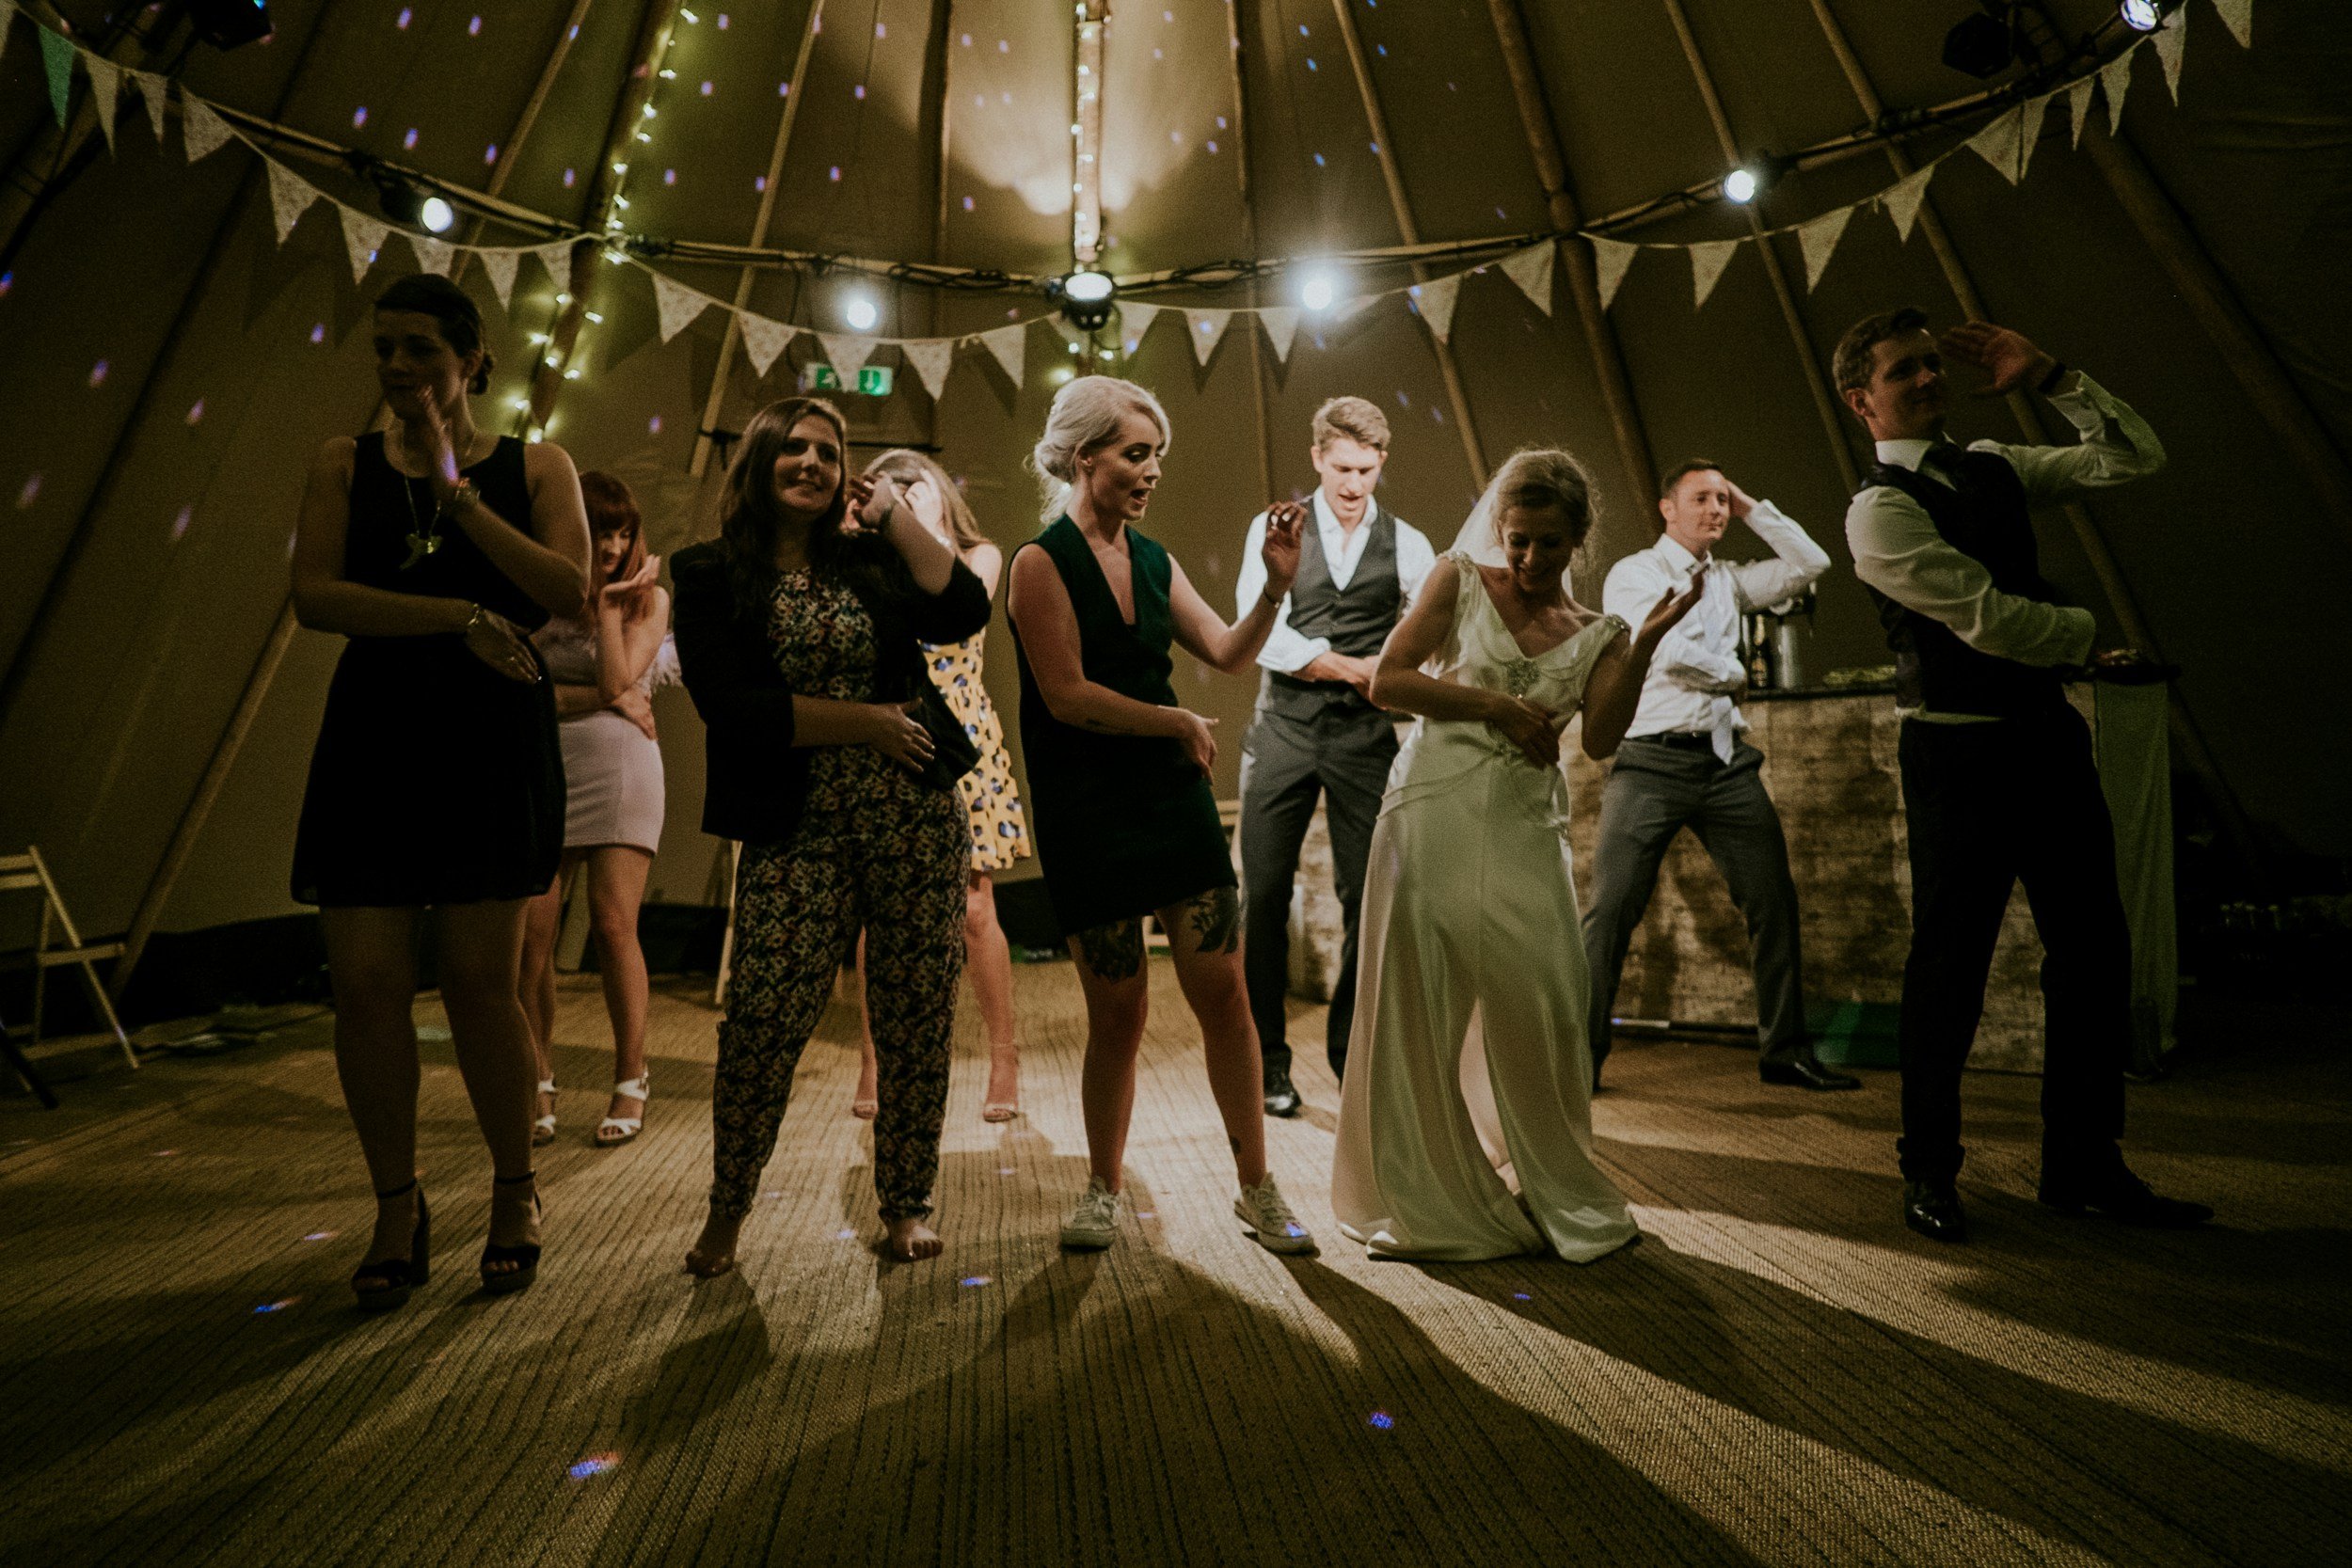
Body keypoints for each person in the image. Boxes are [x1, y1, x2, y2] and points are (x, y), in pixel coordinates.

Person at [1834, 309, 2212, 1243]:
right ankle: (1928, 1168)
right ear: (1861, 400)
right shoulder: (1877, 507)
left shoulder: (1995, 461)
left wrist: (2053, 378)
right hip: (1955, 754)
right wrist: (2078, 629)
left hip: (2044, 738)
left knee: (2092, 950)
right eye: (1903, 370)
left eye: (1931, 363)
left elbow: (2134, 457)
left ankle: (2082, 1161)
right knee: (1949, 967)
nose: (1927, 378)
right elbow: (1993, 622)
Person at [289, 273, 590, 1307]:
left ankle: (514, 1188)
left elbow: (565, 589)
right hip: (375, 734)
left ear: (473, 363)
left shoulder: (537, 465)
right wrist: (454, 615)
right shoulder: (342, 462)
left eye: (419, 349)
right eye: (385, 350)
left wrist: (462, 496)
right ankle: (395, 1204)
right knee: (367, 983)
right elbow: (315, 596)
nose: (398, 369)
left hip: (489, 738)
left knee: (477, 981)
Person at [1332, 449, 1701, 1261]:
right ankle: (1429, 1194)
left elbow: (1601, 739)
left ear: (1579, 541)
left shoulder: (1598, 632)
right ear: (1499, 530)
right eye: (1518, 539)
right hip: (1430, 810)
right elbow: (1388, 681)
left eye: (1548, 544)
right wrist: (1497, 705)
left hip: (1528, 829)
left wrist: (1641, 648)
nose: (1529, 560)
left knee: (1546, 1003)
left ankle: (1542, 1179)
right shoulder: (1458, 580)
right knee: (1420, 1004)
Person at [671, 397, 990, 1273]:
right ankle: (727, 1208)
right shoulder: (703, 572)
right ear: (761, 459)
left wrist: (889, 512)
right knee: (764, 1016)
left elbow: (963, 609)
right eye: (794, 448)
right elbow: (732, 708)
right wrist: (867, 723)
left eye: (827, 451)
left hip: (911, 819)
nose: (811, 462)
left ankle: (905, 1203)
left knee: (916, 1013)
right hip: (792, 825)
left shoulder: (870, 560)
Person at [1004, 375, 1315, 1256]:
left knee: (1224, 995)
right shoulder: (1039, 562)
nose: (1151, 472)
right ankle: (1103, 1187)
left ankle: (1256, 1185)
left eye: (1158, 457)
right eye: (1137, 454)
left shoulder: (1154, 556)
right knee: (1120, 1013)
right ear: (1083, 455)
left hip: (1170, 799)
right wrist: (1175, 720)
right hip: (1089, 806)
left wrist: (1274, 590)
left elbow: (1223, 651)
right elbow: (1066, 697)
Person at [1580, 462, 1855, 1092]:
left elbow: (1813, 563)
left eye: (1722, 500)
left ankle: (1784, 1050)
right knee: (1611, 909)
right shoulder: (1636, 573)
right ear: (1666, 509)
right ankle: (1581, 1058)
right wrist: (1734, 672)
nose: (1716, 509)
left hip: (1725, 762)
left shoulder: (1728, 580)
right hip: (1651, 760)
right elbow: (1664, 649)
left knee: (1773, 901)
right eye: (1701, 498)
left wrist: (1753, 505)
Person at [1234, 397, 1437, 1117]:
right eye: (1342, 467)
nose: (1354, 484)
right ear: (1317, 457)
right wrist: (1360, 668)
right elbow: (1266, 637)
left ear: (1382, 463)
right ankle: (1267, 1065)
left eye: (1368, 469)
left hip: (1363, 739)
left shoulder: (1409, 542)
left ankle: (1353, 1054)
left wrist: (1407, 668)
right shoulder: (1275, 526)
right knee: (1262, 893)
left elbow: (1429, 630)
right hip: (1282, 727)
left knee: (1372, 895)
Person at [842, 448, 1031, 1124]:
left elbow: (964, 606)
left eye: (916, 488)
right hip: (893, 728)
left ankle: (1003, 1057)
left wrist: (920, 523)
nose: (904, 500)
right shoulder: (871, 564)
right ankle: (871, 1058)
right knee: (876, 912)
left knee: (977, 909)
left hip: (965, 740)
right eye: (892, 494)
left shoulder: (980, 555)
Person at [519, 471, 671, 1149]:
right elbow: (524, 696)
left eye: (622, 532)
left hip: (620, 765)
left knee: (614, 927)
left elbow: (619, 680)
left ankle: (631, 1077)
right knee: (532, 939)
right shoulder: (534, 594)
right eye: (599, 530)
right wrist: (604, 698)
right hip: (540, 763)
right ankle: (537, 1077)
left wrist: (610, 609)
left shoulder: (648, 601)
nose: (612, 545)